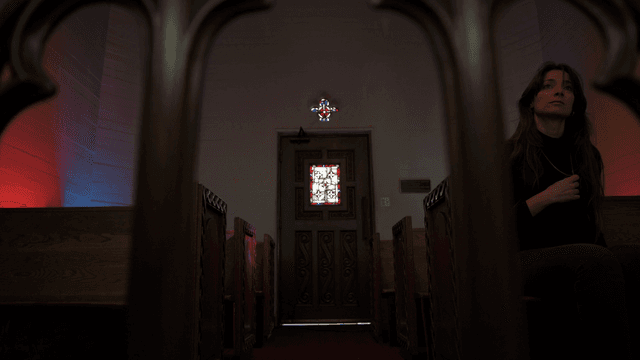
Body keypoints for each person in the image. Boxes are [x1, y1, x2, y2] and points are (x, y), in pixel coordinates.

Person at [505, 61, 640, 360]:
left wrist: (608, 257)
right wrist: (544, 198)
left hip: (581, 253)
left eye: (568, 88)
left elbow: (590, 220)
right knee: (593, 259)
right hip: (524, 258)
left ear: (576, 103)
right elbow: (499, 228)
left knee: (633, 258)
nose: (559, 92)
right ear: (532, 99)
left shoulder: (587, 154)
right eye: (549, 85)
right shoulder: (510, 153)